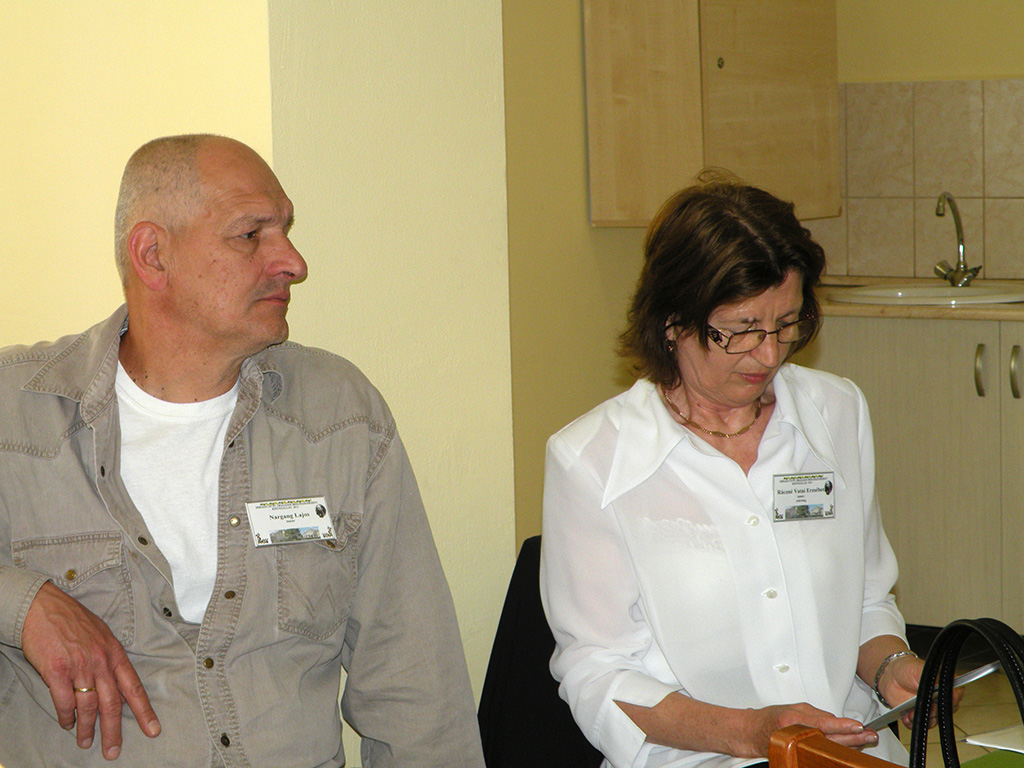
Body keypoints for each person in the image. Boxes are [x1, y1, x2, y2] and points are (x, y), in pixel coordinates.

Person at [0, 134, 485, 767]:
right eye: (250, 235)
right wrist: (24, 606)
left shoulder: (338, 416)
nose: (294, 262)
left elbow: (416, 688)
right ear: (153, 255)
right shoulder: (17, 414)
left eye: (285, 230)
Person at [539, 176, 937, 768]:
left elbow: (864, 596)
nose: (769, 355)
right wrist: (752, 733)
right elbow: (596, 672)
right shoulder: (593, 459)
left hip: (848, 754)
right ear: (672, 320)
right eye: (742, 331)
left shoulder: (836, 412)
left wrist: (890, 667)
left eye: (787, 324)